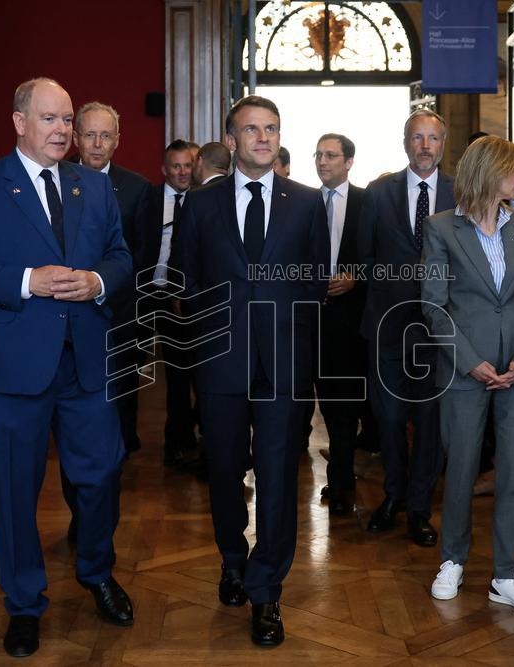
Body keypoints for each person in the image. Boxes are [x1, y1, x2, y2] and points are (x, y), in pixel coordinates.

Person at [0, 78, 134, 657]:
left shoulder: (92, 188)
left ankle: (96, 571)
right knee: (18, 492)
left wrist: (97, 281)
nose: (62, 130)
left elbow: (121, 256)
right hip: (14, 369)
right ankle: (23, 603)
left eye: (68, 119)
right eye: (50, 118)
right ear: (19, 123)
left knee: (101, 477)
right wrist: (29, 281)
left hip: (87, 365)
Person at [173, 96, 328, 647]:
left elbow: (314, 282)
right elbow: (183, 278)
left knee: (280, 474)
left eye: (272, 129)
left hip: (284, 362)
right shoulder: (200, 203)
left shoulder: (308, 204)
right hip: (219, 361)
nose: (263, 138)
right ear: (232, 139)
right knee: (222, 470)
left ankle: (267, 591)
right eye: (252, 130)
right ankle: (233, 559)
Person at [420, 135, 514, 614]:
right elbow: (433, 306)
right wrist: (470, 360)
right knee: (460, 468)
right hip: (463, 368)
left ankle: (506, 575)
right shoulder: (440, 228)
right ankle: (452, 559)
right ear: (488, 170)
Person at [358, 109, 456, 547]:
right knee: (390, 418)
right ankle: (393, 496)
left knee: (431, 421)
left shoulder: (461, 193)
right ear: (405, 142)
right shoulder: (378, 192)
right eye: (417, 137)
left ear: (442, 144)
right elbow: (363, 258)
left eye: (432, 138)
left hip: (441, 330)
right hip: (388, 326)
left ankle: (419, 508)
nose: (424, 146)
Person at [61, 101, 152, 543]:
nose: (97, 144)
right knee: (70, 428)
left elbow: (143, 258)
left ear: (118, 139)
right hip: (65, 327)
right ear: (77, 137)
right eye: (90, 135)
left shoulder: (137, 189)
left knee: (117, 424)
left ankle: (105, 509)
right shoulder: (54, 180)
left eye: (106, 136)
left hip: (119, 322)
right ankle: (79, 513)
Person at [311, 132, 367, 516]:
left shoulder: (367, 202)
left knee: (347, 402)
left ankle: (342, 476)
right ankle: (340, 471)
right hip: (311, 318)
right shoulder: (303, 202)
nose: (322, 161)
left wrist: (357, 276)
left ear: (348, 162)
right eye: (317, 155)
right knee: (324, 401)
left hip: (353, 318)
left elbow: (382, 252)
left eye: (330, 155)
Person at [140, 140, 200, 467]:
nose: (182, 172)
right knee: (129, 368)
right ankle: (125, 437)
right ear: (164, 169)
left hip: (181, 298)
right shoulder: (147, 198)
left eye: (187, 165)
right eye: (175, 166)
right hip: (145, 293)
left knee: (180, 371)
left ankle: (178, 439)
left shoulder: (203, 202)